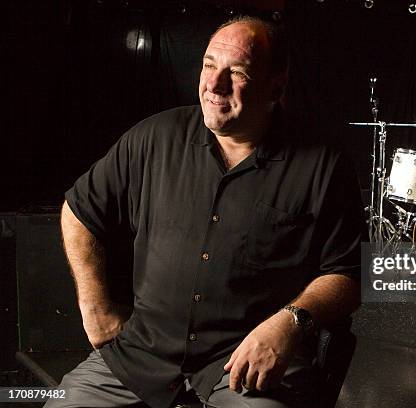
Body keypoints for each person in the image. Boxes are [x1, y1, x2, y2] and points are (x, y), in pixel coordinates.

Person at [47, 15, 364, 408]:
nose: (214, 84)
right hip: (139, 356)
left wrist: (290, 322)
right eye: (210, 64)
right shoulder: (153, 137)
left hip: (245, 368)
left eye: (237, 72)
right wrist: (94, 307)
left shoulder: (323, 165)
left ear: (276, 85)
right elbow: (78, 211)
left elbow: (347, 274)